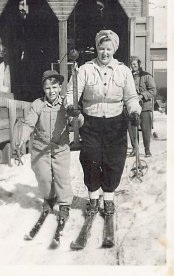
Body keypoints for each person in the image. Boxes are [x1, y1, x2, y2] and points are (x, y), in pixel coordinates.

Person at [64, 30, 141, 218]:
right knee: (90, 159)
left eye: (108, 49)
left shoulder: (123, 70)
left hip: (116, 123)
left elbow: (131, 97)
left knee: (113, 160)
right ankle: (92, 198)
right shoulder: (85, 70)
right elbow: (70, 93)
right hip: (91, 122)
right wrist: (71, 107)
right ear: (97, 48)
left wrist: (134, 111)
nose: (105, 52)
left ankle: (108, 199)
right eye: (101, 48)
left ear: (114, 49)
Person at [16, 70, 83, 223]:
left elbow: (78, 122)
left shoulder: (66, 104)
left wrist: (76, 115)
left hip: (61, 148)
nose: (51, 91)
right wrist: (21, 140)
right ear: (43, 89)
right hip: (41, 148)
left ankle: (65, 204)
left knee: (62, 177)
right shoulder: (37, 104)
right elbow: (28, 124)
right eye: (47, 88)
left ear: (60, 88)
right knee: (43, 177)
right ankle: (49, 197)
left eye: (54, 87)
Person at [128, 56, 156, 157]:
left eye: (135, 64)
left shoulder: (147, 76)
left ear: (139, 65)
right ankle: (135, 149)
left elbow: (153, 91)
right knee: (132, 129)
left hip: (144, 107)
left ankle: (147, 150)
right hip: (132, 107)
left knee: (146, 129)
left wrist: (142, 95)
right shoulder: (129, 76)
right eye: (132, 65)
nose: (133, 66)